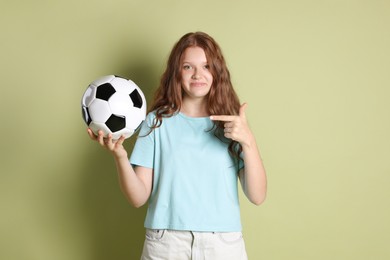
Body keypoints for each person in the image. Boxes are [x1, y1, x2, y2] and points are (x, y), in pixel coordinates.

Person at [87, 31, 267, 260]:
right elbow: (138, 197)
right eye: (188, 67)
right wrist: (120, 156)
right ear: (176, 73)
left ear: (217, 72)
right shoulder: (156, 122)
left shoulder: (233, 125)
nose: (197, 75)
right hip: (167, 245)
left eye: (207, 66)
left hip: (222, 244)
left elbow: (258, 195)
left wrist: (248, 141)